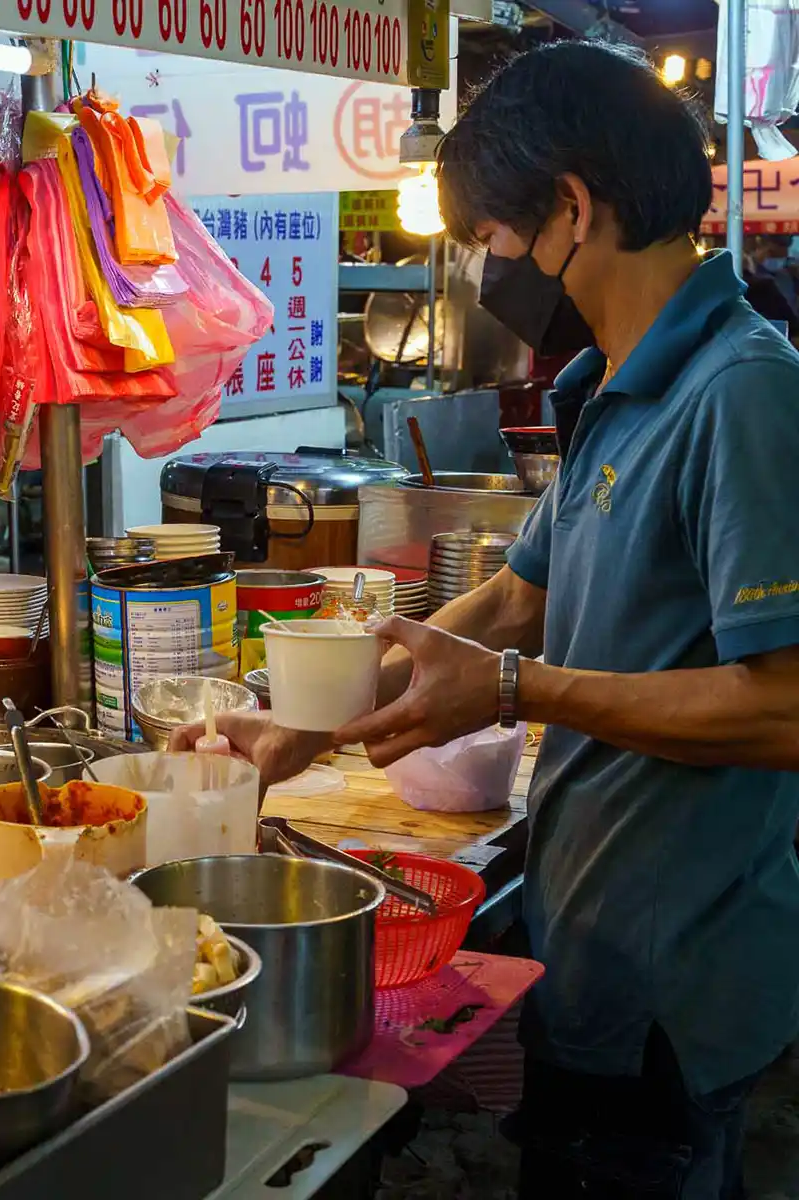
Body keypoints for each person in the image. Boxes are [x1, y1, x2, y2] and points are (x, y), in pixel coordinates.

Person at [178, 41, 799, 1199]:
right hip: (593, 948)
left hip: (680, 984)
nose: (479, 267)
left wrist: (516, 692)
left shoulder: (742, 390)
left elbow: (785, 710)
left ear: (571, 210)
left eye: (486, 239)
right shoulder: (614, 386)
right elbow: (521, 595)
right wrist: (310, 724)